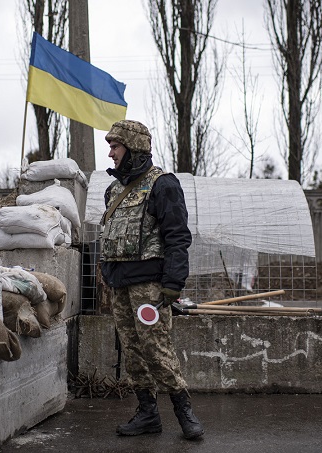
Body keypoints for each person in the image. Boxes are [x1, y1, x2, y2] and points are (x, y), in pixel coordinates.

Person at [99, 119, 204, 440]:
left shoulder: (164, 184)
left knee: (156, 349)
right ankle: (147, 414)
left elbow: (177, 237)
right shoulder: (113, 190)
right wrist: (106, 276)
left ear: (133, 148)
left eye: (115, 147)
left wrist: (173, 283)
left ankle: (184, 412)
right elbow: (110, 236)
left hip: (151, 286)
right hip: (119, 285)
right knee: (131, 351)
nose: (111, 154)